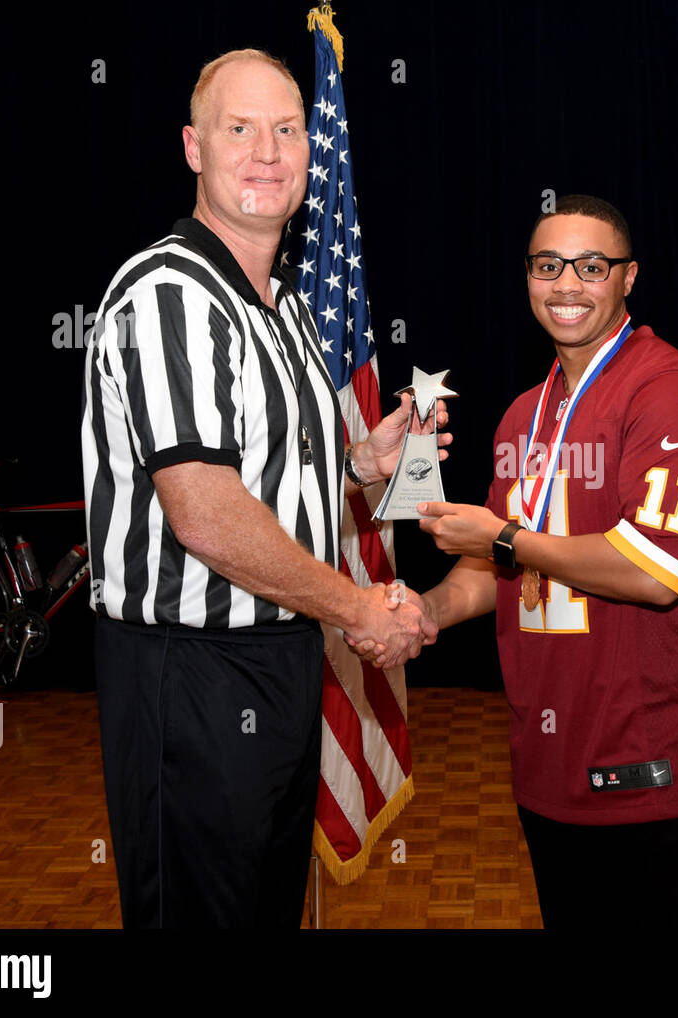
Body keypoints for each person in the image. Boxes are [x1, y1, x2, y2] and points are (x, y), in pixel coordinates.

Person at [80, 48, 442, 928]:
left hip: (280, 662)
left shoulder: (281, 305)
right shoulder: (170, 291)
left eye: (288, 131)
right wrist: (357, 610)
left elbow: (264, 469)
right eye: (239, 129)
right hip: (190, 673)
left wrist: (362, 465)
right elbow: (205, 511)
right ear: (193, 148)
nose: (269, 152)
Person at [401, 195, 678, 928]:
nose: (566, 285)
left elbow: (654, 572)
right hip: (550, 765)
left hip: (656, 768)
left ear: (629, 278)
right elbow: (498, 570)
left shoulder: (670, 392)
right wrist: (425, 611)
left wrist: (499, 539)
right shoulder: (524, 413)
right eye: (548, 266)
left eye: (592, 267)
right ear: (526, 277)